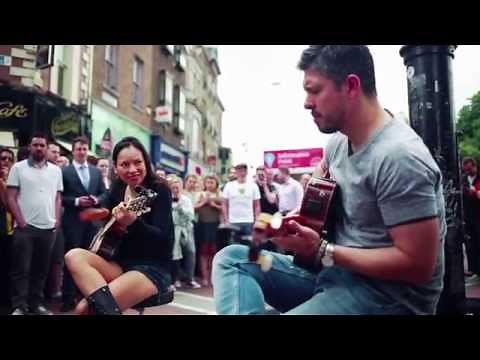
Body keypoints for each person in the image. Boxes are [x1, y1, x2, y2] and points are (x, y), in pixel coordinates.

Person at [212, 45, 446, 315]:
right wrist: (296, 222)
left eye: (314, 90)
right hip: (332, 276)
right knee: (232, 260)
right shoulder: (338, 142)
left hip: (384, 297)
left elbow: (417, 265)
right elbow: (318, 185)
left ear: (350, 86)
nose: (306, 102)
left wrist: (322, 249)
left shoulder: (400, 157)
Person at [64, 136, 174, 315]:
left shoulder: (159, 190)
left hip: (151, 268)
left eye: (137, 162)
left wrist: (133, 222)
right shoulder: (117, 187)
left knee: (84, 309)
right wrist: (101, 213)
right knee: (73, 256)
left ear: (146, 162)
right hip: (119, 263)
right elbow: (105, 208)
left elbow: (163, 240)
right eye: (125, 165)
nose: (132, 170)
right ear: (115, 168)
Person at [7, 133, 63, 315]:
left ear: (46, 148)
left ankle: (35, 304)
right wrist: (21, 221)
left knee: (41, 269)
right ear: (30, 147)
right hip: (25, 229)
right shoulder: (18, 168)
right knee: (21, 269)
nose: (39, 148)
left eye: (42, 145)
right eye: (36, 145)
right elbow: (11, 197)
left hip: (47, 228)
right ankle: (19, 306)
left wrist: (56, 220)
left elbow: (57, 197)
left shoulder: (55, 171)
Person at [60, 136, 107, 312]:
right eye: (78, 149)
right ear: (73, 151)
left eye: (84, 149)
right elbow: (60, 198)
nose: (81, 152)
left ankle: (87, 297)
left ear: (87, 151)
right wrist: (77, 201)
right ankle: (67, 298)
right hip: (73, 222)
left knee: (90, 261)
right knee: (71, 260)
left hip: (92, 223)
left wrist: (97, 199)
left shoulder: (95, 172)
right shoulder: (65, 171)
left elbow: (104, 194)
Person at [168, 175, 201, 289]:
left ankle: (190, 278)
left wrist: (181, 208)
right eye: (173, 187)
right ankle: (175, 280)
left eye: (177, 187)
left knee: (191, 252)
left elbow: (191, 215)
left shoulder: (186, 199)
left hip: (186, 229)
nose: (176, 190)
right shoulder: (167, 199)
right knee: (175, 254)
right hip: (174, 229)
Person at [44, 142, 65, 300]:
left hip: (56, 222)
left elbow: (60, 198)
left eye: (58, 152)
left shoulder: (58, 172)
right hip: (35, 221)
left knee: (57, 258)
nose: (56, 154)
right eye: (53, 151)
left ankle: (53, 290)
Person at [196, 175, 223, 287]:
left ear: (216, 183)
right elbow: (194, 207)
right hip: (202, 225)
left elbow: (224, 208)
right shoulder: (200, 194)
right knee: (203, 252)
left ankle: (212, 276)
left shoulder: (220, 194)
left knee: (213, 251)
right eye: (208, 182)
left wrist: (213, 204)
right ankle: (204, 277)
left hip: (215, 225)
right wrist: (203, 202)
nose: (210, 184)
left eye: (212, 182)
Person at [221, 164, 261, 237]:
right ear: (236, 173)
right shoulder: (229, 185)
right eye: (239, 171)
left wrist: (257, 220)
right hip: (233, 221)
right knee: (234, 245)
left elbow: (257, 205)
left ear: (246, 172)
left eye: (243, 171)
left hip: (249, 221)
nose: (241, 173)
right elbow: (224, 204)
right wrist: (226, 220)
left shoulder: (253, 186)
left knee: (248, 246)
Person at [0, 147, 15, 308]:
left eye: (9, 159)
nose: (6, 162)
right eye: (3, 158)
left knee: (8, 269)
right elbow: (6, 202)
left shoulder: (15, 179)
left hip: (11, 231)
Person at [462, 157, 480, 279]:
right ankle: (473, 268)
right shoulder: (463, 180)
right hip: (468, 216)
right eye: (466, 170)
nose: (468, 172)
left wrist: (475, 192)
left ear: (474, 166)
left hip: (478, 215)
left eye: (469, 169)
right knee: (470, 243)